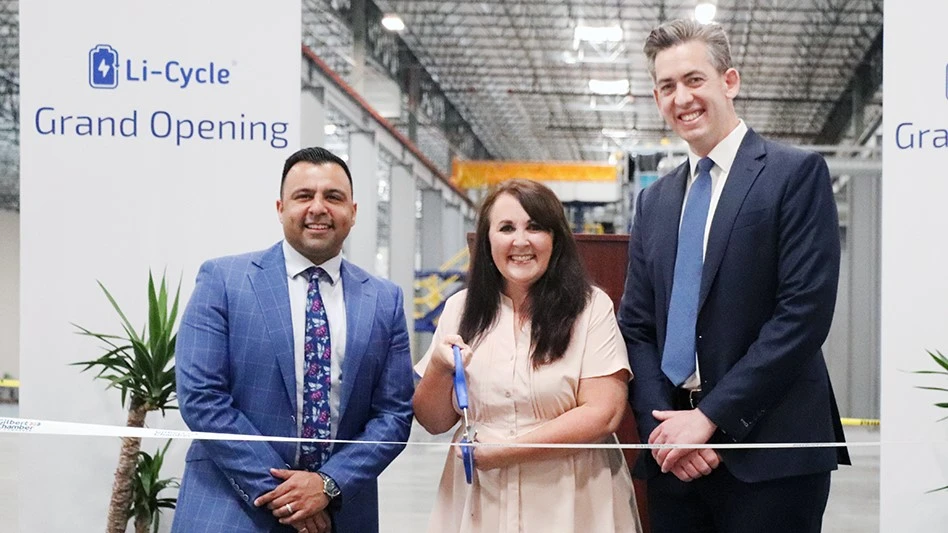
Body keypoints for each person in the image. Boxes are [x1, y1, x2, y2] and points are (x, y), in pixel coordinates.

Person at [617, 19, 850, 533]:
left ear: (730, 81)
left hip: (769, 456)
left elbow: (803, 314)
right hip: (675, 458)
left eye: (694, 79)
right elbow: (635, 325)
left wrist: (711, 420)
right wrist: (665, 429)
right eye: (667, 87)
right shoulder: (654, 202)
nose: (682, 98)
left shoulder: (795, 174)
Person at [173, 146, 414, 533]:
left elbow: (394, 415)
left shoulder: (384, 301)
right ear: (280, 207)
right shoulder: (223, 281)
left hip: (340, 513)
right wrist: (287, 493)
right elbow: (201, 397)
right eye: (304, 196)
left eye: (333, 197)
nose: (318, 208)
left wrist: (328, 485)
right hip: (231, 510)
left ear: (353, 211)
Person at [413, 179, 641, 533]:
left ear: (555, 239)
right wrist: (440, 368)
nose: (521, 241)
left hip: (571, 496)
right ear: (488, 241)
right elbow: (434, 421)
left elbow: (604, 412)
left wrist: (507, 452)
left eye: (535, 227)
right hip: (478, 496)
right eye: (506, 228)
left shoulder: (590, 307)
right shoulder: (460, 309)